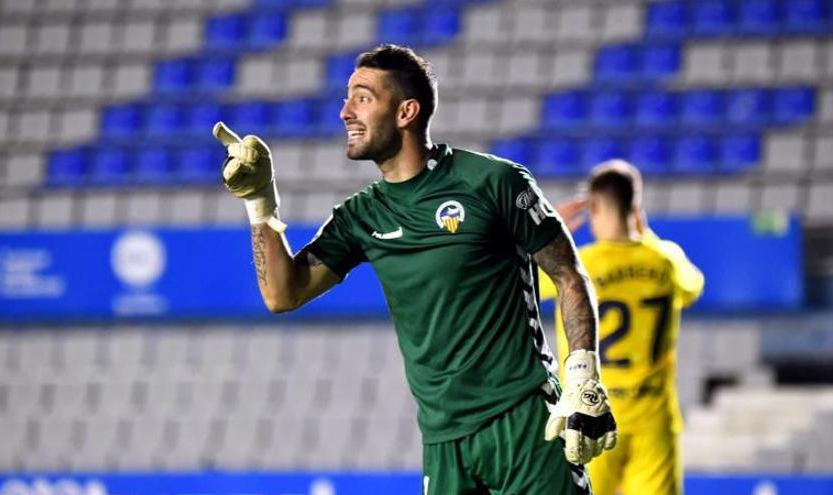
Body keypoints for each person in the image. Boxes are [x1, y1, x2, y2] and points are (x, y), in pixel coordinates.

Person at [213, 44, 616, 494]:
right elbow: (282, 294)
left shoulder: (493, 182)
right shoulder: (360, 217)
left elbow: (568, 274)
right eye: (347, 98)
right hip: (443, 443)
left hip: (523, 423)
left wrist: (582, 376)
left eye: (363, 97)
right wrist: (260, 202)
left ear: (406, 112)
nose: (345, 111)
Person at [540, 160, 704, 495]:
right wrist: (646, 235)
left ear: (594, 207)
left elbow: (518, 279)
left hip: (592, 414)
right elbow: (693, 288)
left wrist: (549, 234)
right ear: (636, 207)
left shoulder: (577, 265)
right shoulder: (666, 260)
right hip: (654, 420)